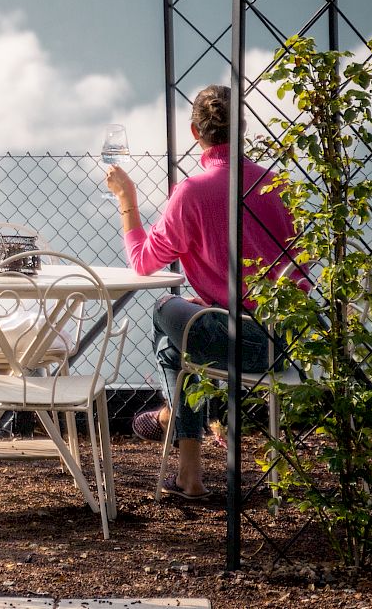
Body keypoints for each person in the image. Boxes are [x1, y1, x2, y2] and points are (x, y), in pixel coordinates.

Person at [104, 84, 300, 500]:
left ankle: (174, 420)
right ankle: (187, 474)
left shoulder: (192, 192)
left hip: (233, 340)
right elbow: (297, 264)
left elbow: (142, 261)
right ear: (243, 129)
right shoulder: (277, 185)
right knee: (182, 341)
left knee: (165, 313)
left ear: (195, 132)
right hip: (282, 342)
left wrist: (127, 199)